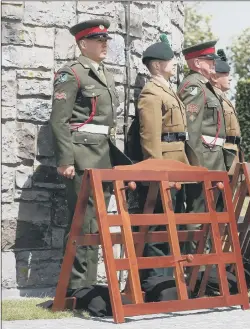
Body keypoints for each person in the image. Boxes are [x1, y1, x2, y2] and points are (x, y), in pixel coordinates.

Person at [49, 18, 131, 312]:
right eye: (99, 41)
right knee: (82, 222)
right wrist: (66, 160)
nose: (105, 44)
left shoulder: (104, 75)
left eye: (106, 40)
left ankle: (86, 284)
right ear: (83, 44)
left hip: (102, 156)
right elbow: (59, 121)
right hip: (82, 157)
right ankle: (75, 285)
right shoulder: (71, 74)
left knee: (96, 224)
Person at [135, 34, 194, 300]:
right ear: (157, 65)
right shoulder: (151, 92)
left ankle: (172, 278)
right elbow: (150, 137)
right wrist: (157, 170)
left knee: (173, 221)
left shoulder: (168, 90)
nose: (174, 64)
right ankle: (158, 281)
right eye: (170, 60)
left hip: (177, 162)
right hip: (164, 165)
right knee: (159, 223)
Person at [177, 40, 232, 253]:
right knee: (198, 214)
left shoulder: (205, 87)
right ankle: (196, 271)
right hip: (204, 159)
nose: (213, 65)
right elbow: (191, 130)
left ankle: (208, 267)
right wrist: (197, 166)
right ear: (197, 63)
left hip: (214, 157)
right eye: (209, 61)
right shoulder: (194, 86)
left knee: (211, 214)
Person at [209, 49, 243, 171]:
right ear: (214, 77)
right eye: (226, 74)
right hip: (223, 155)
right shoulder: (213, 99)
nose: (230, 79)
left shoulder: (223, 98)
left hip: (232, 152)